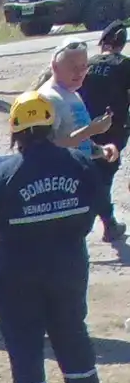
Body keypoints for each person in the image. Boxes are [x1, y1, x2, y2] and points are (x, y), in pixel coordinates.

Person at [0, 91, 110, 383]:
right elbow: (102, 204)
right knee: (72, 329)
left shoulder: (3, 175)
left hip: (16, 270)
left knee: (23, 337)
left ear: (16, 133)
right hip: (69, 263)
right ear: (51, 125)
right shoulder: (80, 163)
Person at [75, 22, 130, 242]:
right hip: (113, 130)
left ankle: (107, 223)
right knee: (102, 178)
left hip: (84, 127)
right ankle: (106, 224)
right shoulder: (125, 65)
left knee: (93, 175)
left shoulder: (87, 64)